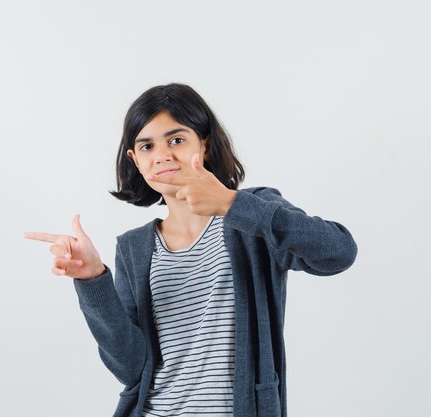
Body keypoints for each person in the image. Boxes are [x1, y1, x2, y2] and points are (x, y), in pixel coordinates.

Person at [23, 83, 358, 417]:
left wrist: (232, 203)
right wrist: (93, 279)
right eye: (147, 146)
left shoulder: (251, 214)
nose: (162, 155)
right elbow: (130, 369)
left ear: (206, 145)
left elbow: (338, 251)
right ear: (135, 160)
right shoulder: (134, 247)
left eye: (177, 140)